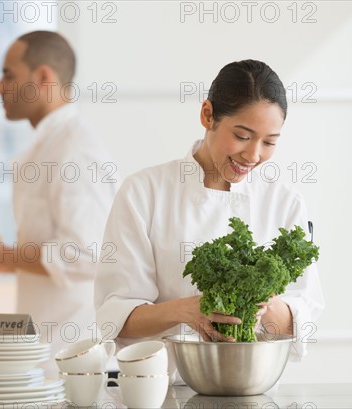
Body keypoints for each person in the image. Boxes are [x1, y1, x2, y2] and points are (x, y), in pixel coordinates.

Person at [94, 60, 324, 383]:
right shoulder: (143, 192)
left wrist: (261, 302)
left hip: (254, 388)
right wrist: (187, 310)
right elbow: (114, 317)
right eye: (242, 136)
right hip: (160, 392)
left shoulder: (284, 202)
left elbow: (302, 319)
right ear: (207, 115)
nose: (253, 155)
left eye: (269, 142)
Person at [0, 31, 119, 376]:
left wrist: (2, 256)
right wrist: (4, 261)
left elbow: (87, 253)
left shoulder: (74, 149)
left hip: (73, 362)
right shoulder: (52, 144)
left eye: (8, 74)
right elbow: (57, 251)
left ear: (43, 77)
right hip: (47, 356)